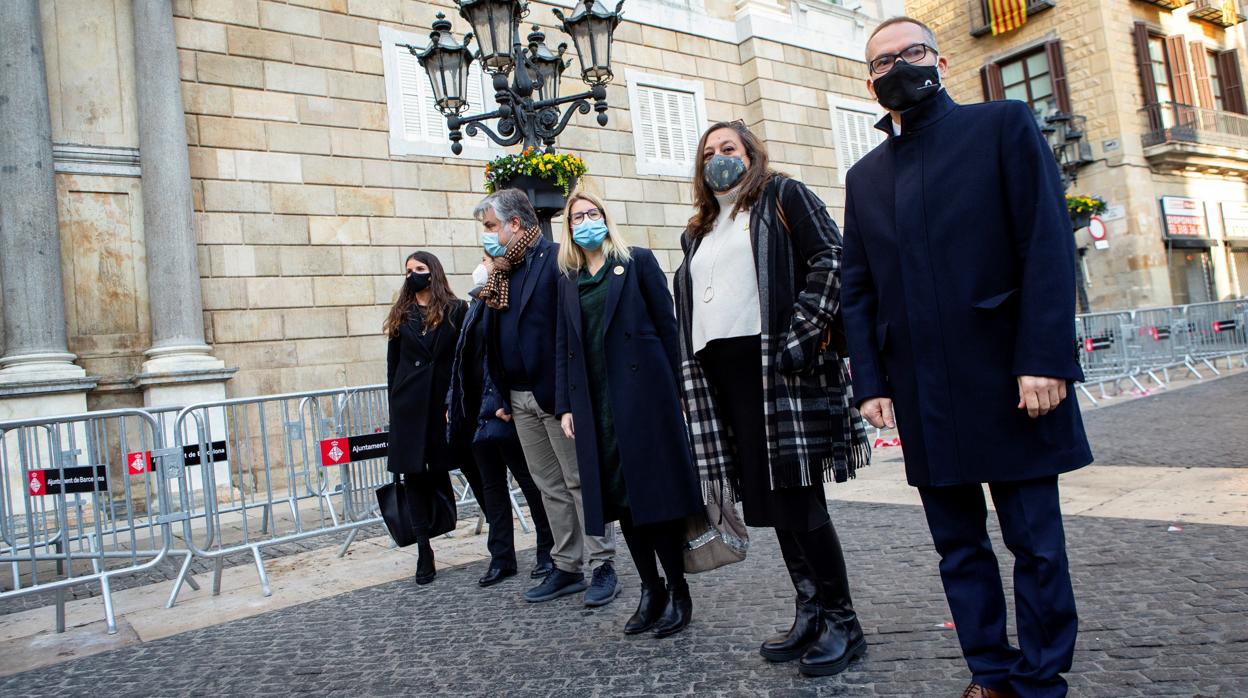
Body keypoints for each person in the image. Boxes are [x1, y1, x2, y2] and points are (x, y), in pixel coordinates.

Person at [841, 17, 1093, 698]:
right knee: (958, 548)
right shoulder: (864, 178)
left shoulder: (1003, 125)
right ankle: (990, 671)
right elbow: (857, 289)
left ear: (941, 60)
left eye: (912, 52)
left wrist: (1044, 359)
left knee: (1036, 545)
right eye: (884, 60)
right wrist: (870, 382)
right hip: (924, 393)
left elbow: (1045, 244)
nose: (900, 66)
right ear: (871, 83)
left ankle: (1042, 681)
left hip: (1015, 380)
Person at [673, 121, 871, 676]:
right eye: (708, 151)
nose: (718, 158)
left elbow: (832, 258)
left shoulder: (782, 195)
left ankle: (842, 621)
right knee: (773, 503)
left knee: (800, 501)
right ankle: (810, 610)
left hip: (780, 372)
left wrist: (800, 337)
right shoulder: (698, 231)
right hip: (726, 380)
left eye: (728, 148)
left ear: (751, 153)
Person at [553, 190, 704, 637]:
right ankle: (649, 589)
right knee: (620, 504)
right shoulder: (567, 278)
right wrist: (564, 404)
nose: (586, 221)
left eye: (592, 213)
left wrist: (680, 387)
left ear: (606, 217)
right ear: (568, 227)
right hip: (595, 405)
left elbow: (668, 324)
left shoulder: (635, 260)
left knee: (654, 501)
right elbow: (564, 345)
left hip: (644, 399)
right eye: (578, 216)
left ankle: (678, 590)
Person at [473, 188, 619, 606]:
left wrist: (570, 396)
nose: (486, 234)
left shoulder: (557, 260)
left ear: (515, 224)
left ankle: (603, 563)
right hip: (516, 398)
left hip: (556, 396)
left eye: (490, 226)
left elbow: (569, 333)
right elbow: (494, 338)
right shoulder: (500, 270)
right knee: (549, 486)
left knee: (578, 481)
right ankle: (567, 565)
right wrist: (498, 392)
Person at [447, 256, 557, 587]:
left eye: (485, 258)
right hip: (477, 415)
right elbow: (462, 361)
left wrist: (501, 400)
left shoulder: (502, 300)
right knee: (492, 487)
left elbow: (504, 354)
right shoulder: (474, 305)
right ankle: (501, 557)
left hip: (501, 410)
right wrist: (452, 402)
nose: (481, 263)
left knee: (530, 482)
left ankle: (548, 550)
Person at [384, 251, 468, 585]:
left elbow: (463, 358)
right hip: (410, 407)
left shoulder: (456, 310)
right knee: (414, 477)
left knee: (467, 465)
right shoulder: (401, 314)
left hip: (443, 406)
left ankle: (499, 540)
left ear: (433, 273)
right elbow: (393, 366)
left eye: (419, 269)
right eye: (408, 270)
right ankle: (423, 549)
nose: (413, 275)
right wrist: (395, 404)